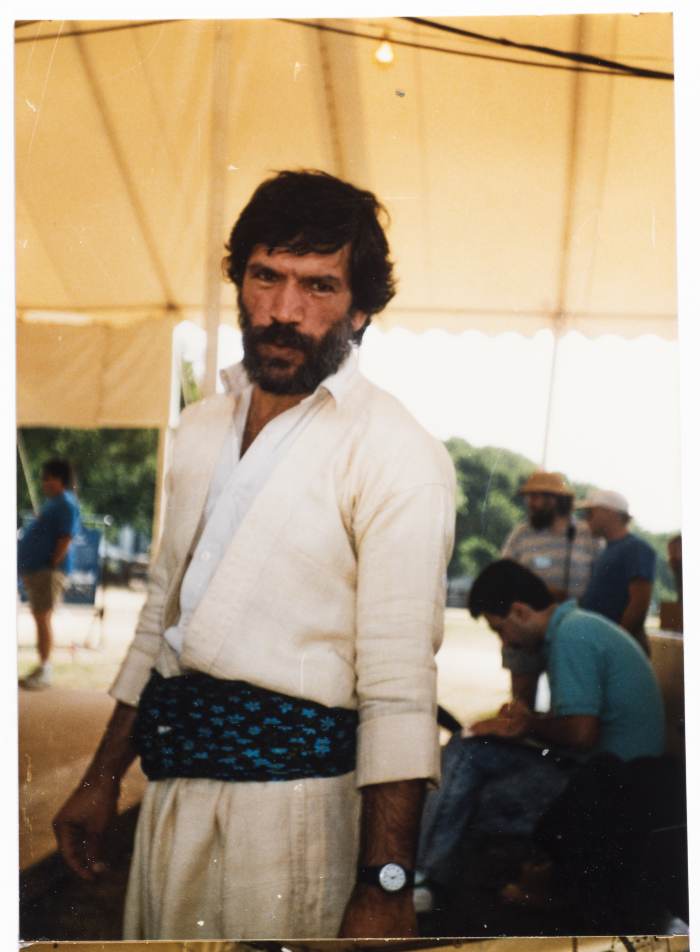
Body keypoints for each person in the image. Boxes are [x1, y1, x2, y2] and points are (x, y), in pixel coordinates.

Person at [53, 170, 456, 941]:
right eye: (266, 276)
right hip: (171, 799)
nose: (283, 311)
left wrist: (386, 885)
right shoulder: (202, 429)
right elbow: (160, 625)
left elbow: (401, 693)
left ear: (362, 308)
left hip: (296, 820)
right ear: (239, 281)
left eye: (319, 287)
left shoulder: (397, 455)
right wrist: (102, 780)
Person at [415, 559, 664, 910]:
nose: (506, 642)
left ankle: (423, 891)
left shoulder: (571, 637)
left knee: (461, 805)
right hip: (604, 774)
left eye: (499, 629)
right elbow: (583, 724)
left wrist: (528, 724)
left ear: (519, 611)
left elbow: (580, 734)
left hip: (612, 789)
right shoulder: (576, 629)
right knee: (466, 748)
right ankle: (425, 885)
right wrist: (524, 723)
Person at [499, 471, 603, 707]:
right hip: (525, 633)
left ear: (555, 499)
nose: (530, 503)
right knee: (521, 706)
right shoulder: (520, 535)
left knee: (567, 708)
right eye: (529, 497)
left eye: (536, 497)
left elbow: (602, 585)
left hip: (571, 634)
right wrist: (542, 592)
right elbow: (501, 579)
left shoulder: (587, 536)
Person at [18, 458, 81, 689]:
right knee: (40, 618)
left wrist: (51, 563)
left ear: (59, 479)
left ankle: (45, 670)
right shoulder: (54, 503)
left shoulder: (65, 503)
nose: (43, 482)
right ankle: (43, 666)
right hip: (38, 569)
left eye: (47, 477)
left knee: (42, 619)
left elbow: (66, 537)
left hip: (47, 571)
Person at [578, 489, 656, 655]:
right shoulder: (608, 549)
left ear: (609, 512)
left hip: (619, 648)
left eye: (590, 513)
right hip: (604, 645)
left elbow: (640, 602)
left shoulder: (635, 547)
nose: (586, 519)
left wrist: (616, 645)